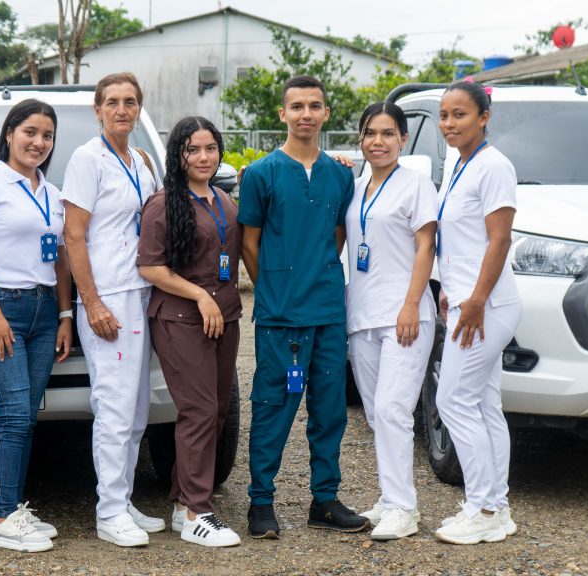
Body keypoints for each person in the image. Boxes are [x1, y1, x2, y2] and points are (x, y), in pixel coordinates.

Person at [238, 75, 369, 539]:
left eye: (314, 106)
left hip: (328, 310)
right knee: (273, 407)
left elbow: (337, 235)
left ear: (326, 113)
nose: (306, 114)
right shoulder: (261, 173)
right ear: (283, 114)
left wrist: (314, 276)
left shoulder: (340, 174)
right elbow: (248, 243)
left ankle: (325, 500)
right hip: (281, 316)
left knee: (330, 410)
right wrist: (276, 287)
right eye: (297, 106)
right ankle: (261, 502)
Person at [0, 99, 73, 553]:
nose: (38, 142)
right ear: (9, 134)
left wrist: (64, 316)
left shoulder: (53, 192)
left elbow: (60, 258)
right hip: (2, 307)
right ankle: (3, 519)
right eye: (30, 132)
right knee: (13, 415)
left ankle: (16, 509)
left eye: (47, 135)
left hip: (45, 312)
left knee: (27, 417)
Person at [61, 72, 166, 547]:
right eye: (113, 102)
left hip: (142, 290)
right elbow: (73, 235)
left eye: (130, 102)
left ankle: (124, 500)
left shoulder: (141, 160)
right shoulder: (88, 160)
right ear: (98, 109)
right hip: (109, 297)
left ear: (139, 109)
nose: (122, 110)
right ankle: (109, 512)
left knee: (138, 409)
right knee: (115, 408)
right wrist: (91, 302)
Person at [137, 117, 243, 548]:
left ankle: (184, 503)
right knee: (198, 410)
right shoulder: (163, 204)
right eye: (192, 149)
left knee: (216, 412)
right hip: (181, 319)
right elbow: (150, 267)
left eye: (210, 148)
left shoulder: (223, 199)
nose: (203, 157)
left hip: (225, 317)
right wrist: (199, 296)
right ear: (178, 155)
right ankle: (200, 512)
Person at [432, 80, 522, 545]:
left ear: (484, 118)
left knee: (453, 401)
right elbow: (461, 241)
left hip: (485, 307)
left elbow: (499, 240)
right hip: (469, 301)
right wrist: (450, 289)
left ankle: (483, 507)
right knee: (484, 405)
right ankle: (496, 507)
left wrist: (476, 300)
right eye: (444, 115)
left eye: (460, 114)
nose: (449, 123)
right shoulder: (458, 164)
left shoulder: (494, 166)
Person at [344, 102, 437, 541]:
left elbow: (426, 246)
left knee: (393, 408)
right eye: (369, 133)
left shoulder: (416, 183)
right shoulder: (355, 187)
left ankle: (404, 508)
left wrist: (412, 304)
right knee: (376, 414)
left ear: (403, 138)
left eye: (387, 133)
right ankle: (389, 496)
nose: (377, 142)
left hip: (405, 315)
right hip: (362, 314)